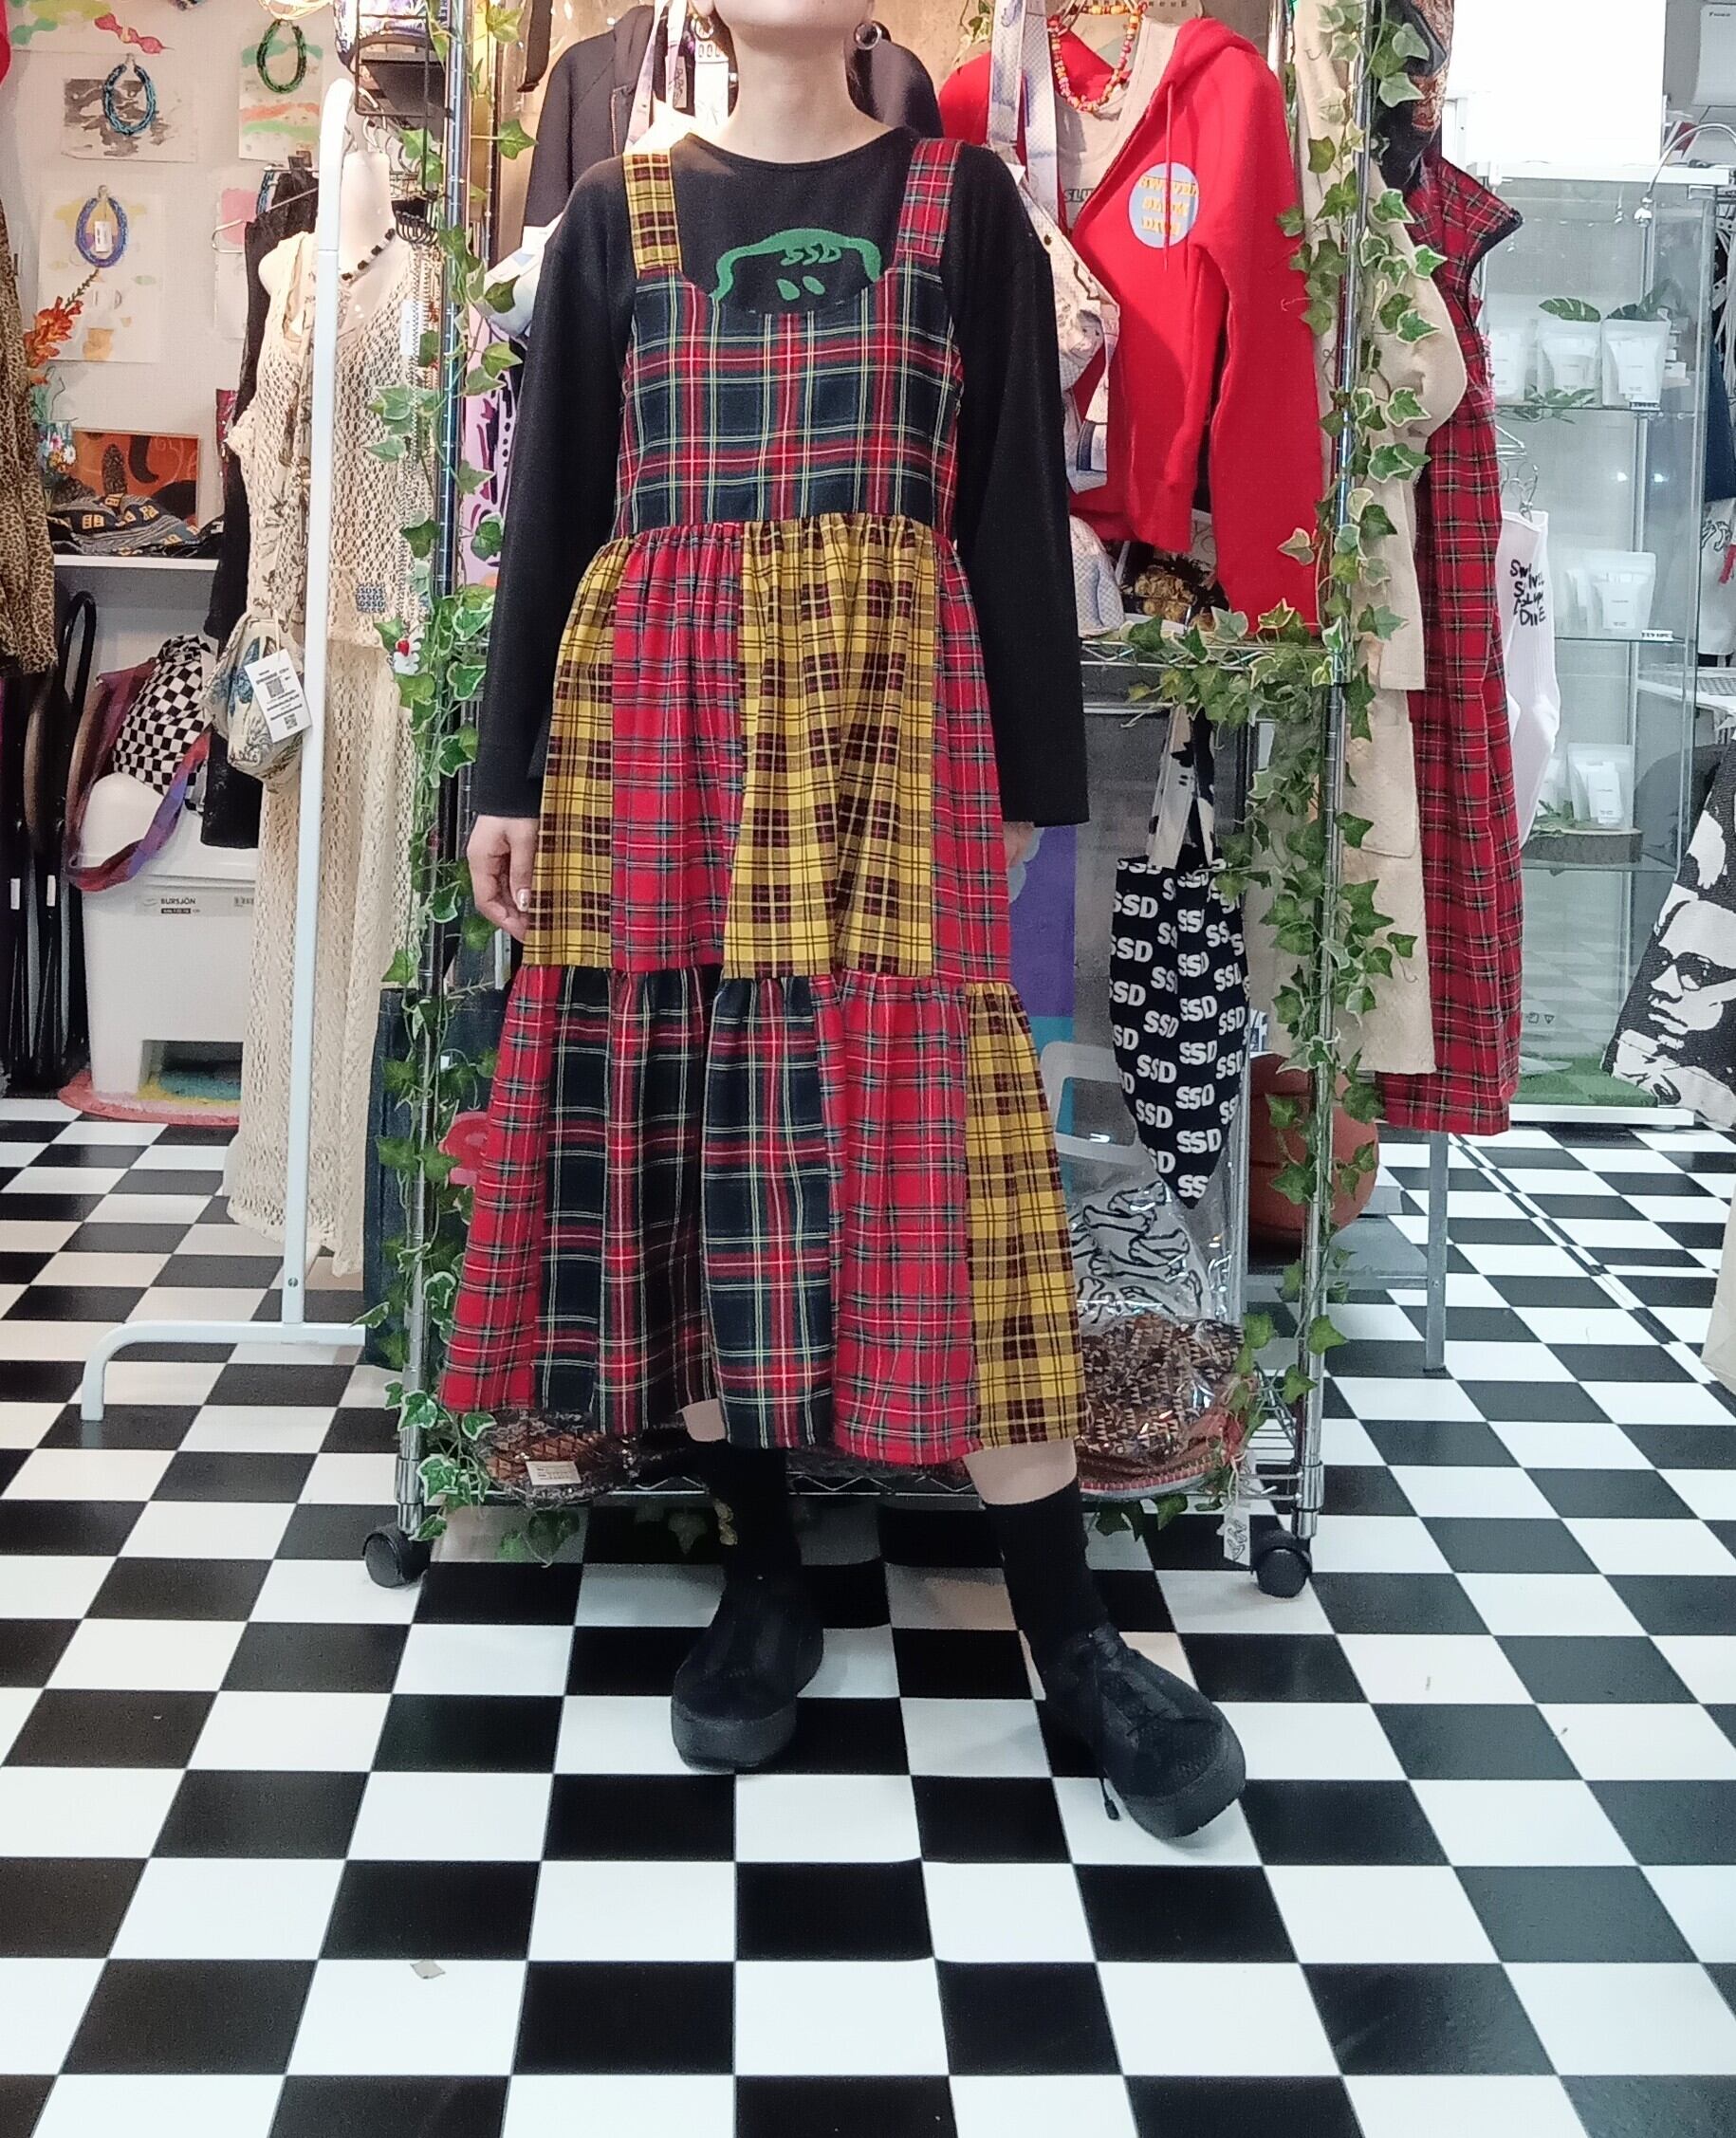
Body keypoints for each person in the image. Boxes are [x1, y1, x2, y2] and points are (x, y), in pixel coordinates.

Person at [453, 0, 1245, 1840]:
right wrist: (508, 777)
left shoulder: (967, 210)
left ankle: (1073, 1636)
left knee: (946, 1166)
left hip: (893, 740)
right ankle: (763, 1577)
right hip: (658, 739)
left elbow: (1009, 510)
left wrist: (1033, 784)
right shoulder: (614, 219)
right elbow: (554, 508)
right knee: (698, 1141)